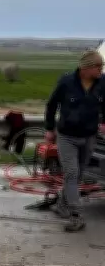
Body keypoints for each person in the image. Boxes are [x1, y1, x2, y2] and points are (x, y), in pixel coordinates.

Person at [44, 50, 105, 232]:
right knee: (71, 173)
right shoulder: (66, 82)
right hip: (67, 137)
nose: (101, 70)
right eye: (98, 67)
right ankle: (76, 215)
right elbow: (51, 105)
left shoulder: (103, 83)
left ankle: (62, 204)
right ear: (86, 68)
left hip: (89, 137)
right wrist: (49, 128)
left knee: (77, 175)